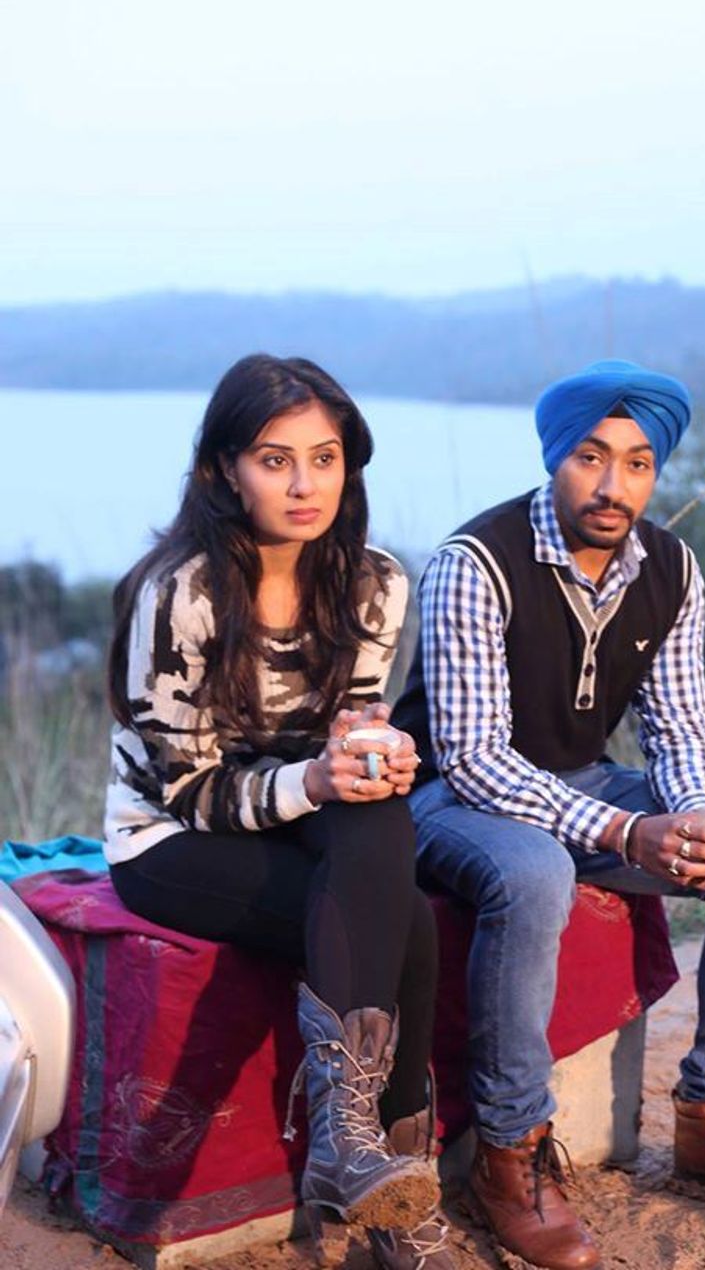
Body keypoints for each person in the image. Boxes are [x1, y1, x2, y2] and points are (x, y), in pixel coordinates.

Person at [393, 359, 705, 1270]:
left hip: (583, 782)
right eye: (591, 458)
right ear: (555, 458)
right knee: (534, 869)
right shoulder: (474, 564)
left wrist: (700, 817)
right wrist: (630, 833)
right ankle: (510, 1155)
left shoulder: (671, 567)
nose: (613, 485)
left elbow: (678, 723)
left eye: (638, 464)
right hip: (446, 794)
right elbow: (473, 758)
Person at [104, 354, 454, 1269]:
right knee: (406, 922)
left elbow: (349, 729)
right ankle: (385, 1196)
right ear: (226, 470)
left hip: (297, 810)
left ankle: (352, 1150)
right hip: (170, 838)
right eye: (275, 460)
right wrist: (320, 783)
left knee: (380, 816)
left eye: (324, 458)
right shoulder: (178, 593)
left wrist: (372, 754)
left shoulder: (374, 582)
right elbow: (188, 790)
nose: (305, 485)